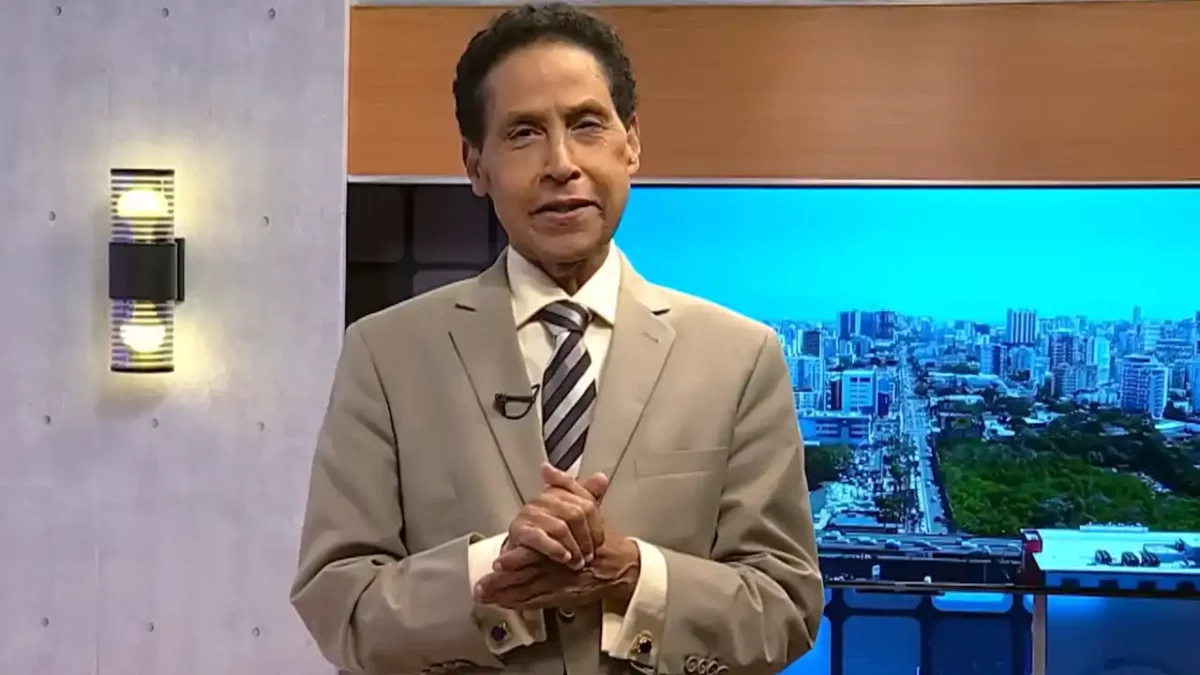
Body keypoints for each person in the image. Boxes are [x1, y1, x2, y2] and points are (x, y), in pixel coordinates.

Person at [290, 3, 823, 674]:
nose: (561, 163)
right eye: (523, 133)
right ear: (476, 166)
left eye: (586, 124)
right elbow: (340, 605)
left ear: (631, 142)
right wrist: (494, 570)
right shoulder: (386, 356)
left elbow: (785, 607)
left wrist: (632, 575)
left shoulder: (740, 358)